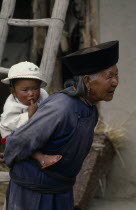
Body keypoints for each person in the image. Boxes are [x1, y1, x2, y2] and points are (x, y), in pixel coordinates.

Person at [4, 40, 119, 210]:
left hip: (61, 190)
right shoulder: (61, 108)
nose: (115, 82)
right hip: (34, 194)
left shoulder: (90, 109)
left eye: (116, 75)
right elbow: (17, 142)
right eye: (109, 76)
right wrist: (12, 157)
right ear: (87, 81)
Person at [0, 61, 62, 168]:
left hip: (35, 129)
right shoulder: (11, 105)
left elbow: (48, 109)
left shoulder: (42, 94)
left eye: (35, 88)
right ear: (13, 92)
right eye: (25, 90)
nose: (31, 93)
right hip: (13, 133)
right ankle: (41, 158)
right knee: (23, 141)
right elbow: (8, 123)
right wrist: (28, 116)